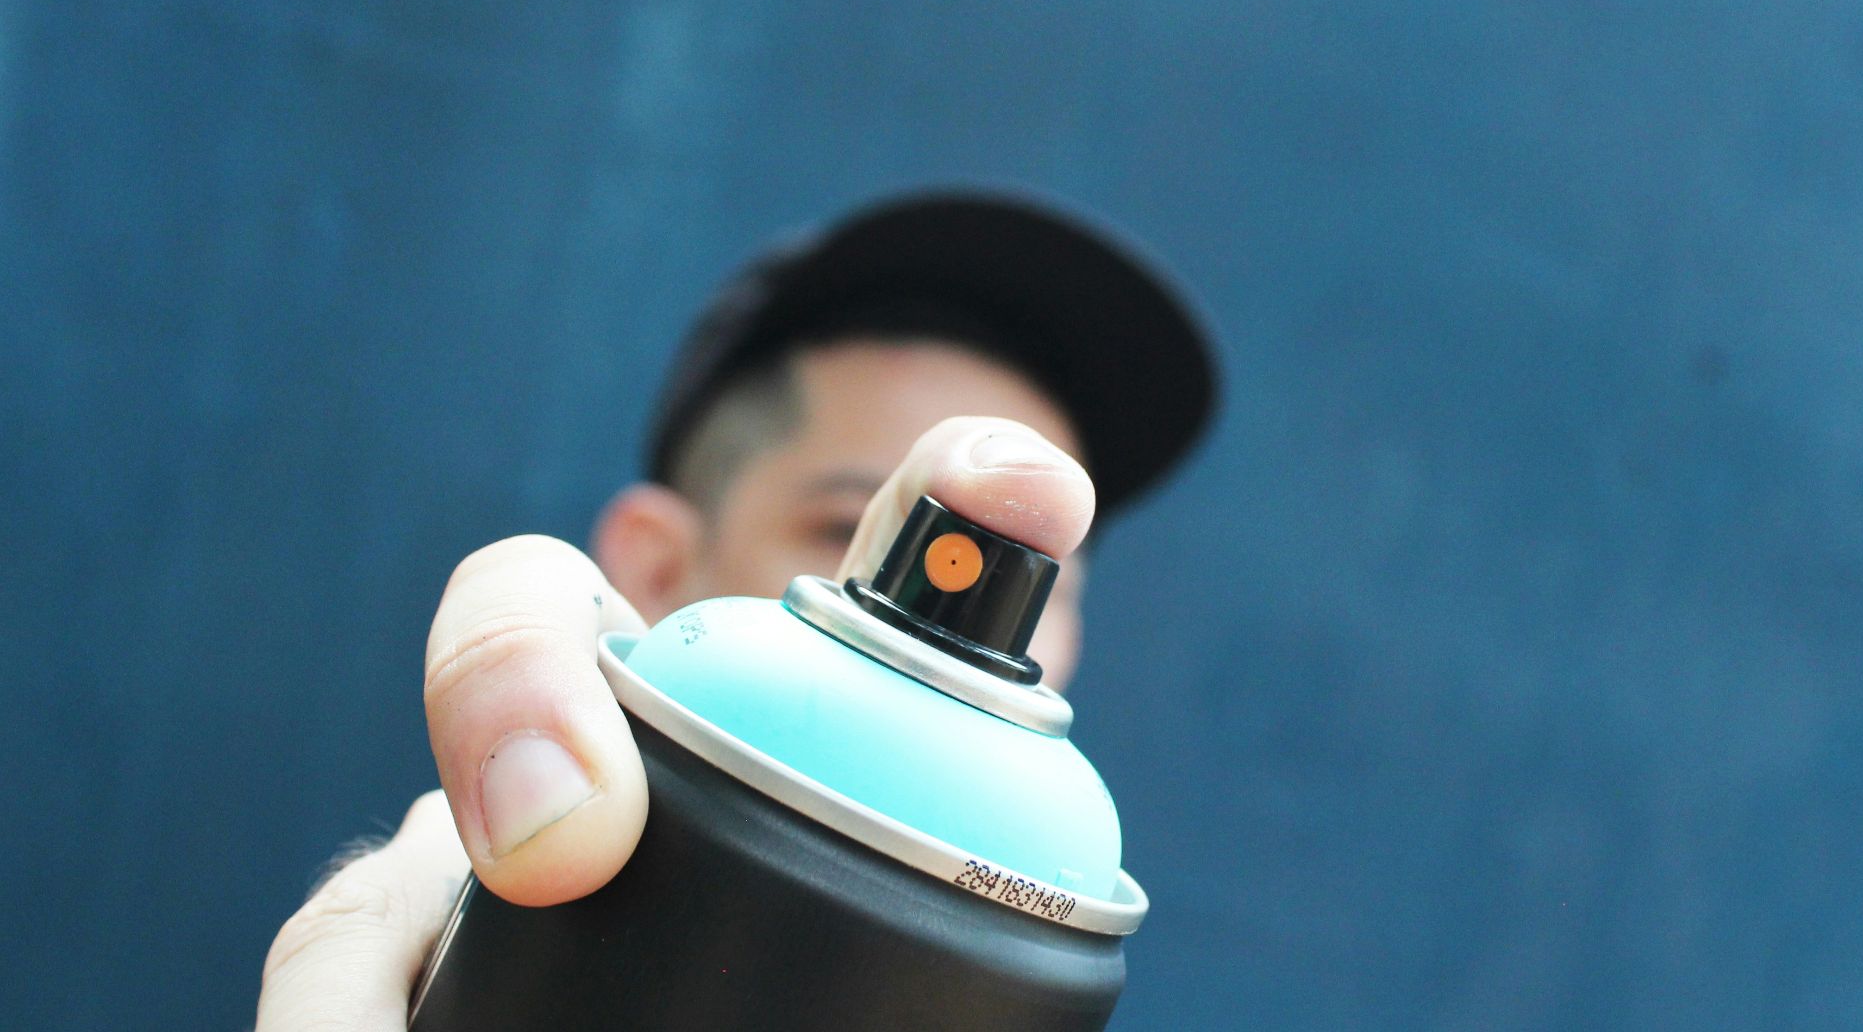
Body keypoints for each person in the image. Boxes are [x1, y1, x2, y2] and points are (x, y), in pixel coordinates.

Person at [253, 191, 1216, 1030]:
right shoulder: (497, 869)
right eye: (845, 521)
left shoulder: (1051, 918)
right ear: (655, 568)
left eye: (1045, 576)